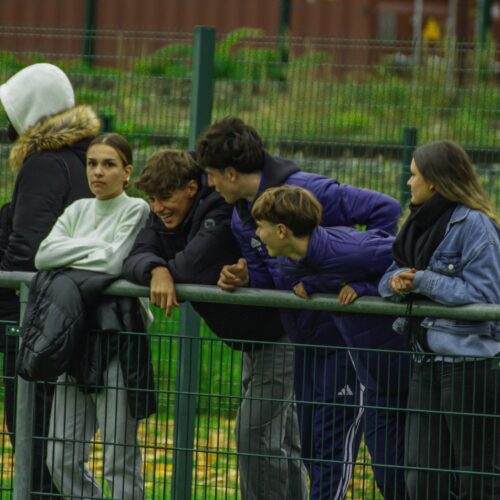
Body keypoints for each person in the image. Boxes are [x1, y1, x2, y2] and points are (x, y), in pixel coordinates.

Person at [196, 116, 407, 499]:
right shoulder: (243, 218)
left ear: (231, 173)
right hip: (304, 342)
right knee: (310, 448)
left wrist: (360, 280)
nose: (210, 184)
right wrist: (245, 277)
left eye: (211, 175)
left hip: (345, 341)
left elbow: (386, 211)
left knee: (332, 457)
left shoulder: (309, 190)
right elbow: (270, 278)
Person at [122, 149, 308, 500]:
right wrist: (155, 269)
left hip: (280, 333)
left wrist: (165, 268)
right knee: (280, 438)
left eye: (165, 198)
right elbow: (133, 258)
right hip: (253, 339)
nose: (158, 208)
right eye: (152, 200)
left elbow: (191, 266)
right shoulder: (164, 216)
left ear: (192, 188)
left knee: (255, 435)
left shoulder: (220, 210)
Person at [250, 185, 410, 499]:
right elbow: (317, 274)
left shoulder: (349, 251)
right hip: (323, 354)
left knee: (339, 451)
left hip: (384, 360)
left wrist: (365, 288)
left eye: (261, 227)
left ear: (281, 231)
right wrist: (312, 283)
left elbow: (404, 258)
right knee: (311, 444)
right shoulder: (287, 256)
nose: (257, 234)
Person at [34, 133, 153, 499]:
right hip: (73, 337)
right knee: (60, 458)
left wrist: (71, 253)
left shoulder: (136, 209)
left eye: (108, 164)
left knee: (118, 458)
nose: (98, 172)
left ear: (127, 172)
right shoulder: (77, 210)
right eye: (92, 163)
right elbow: (43, 256)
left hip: (118, 339)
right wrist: (97, 248)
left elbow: (115, 262)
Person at [0, 62, 100, 499]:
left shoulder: (43, 165)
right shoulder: (82, 161)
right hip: (71, 318)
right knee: (56, 451)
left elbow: (27, 250)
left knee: (33, 444)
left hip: (35, 322)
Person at [379, 140, 499, 499]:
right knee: (421, 478)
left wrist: (421, 281)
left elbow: (487, 295)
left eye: (413, 175)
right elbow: (386, 280)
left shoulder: (476, 225)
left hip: (468, 365)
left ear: (434, 181)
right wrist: (398, 283)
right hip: (424, 361)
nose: (408, 182)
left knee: (477, 478)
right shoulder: (416, 224)